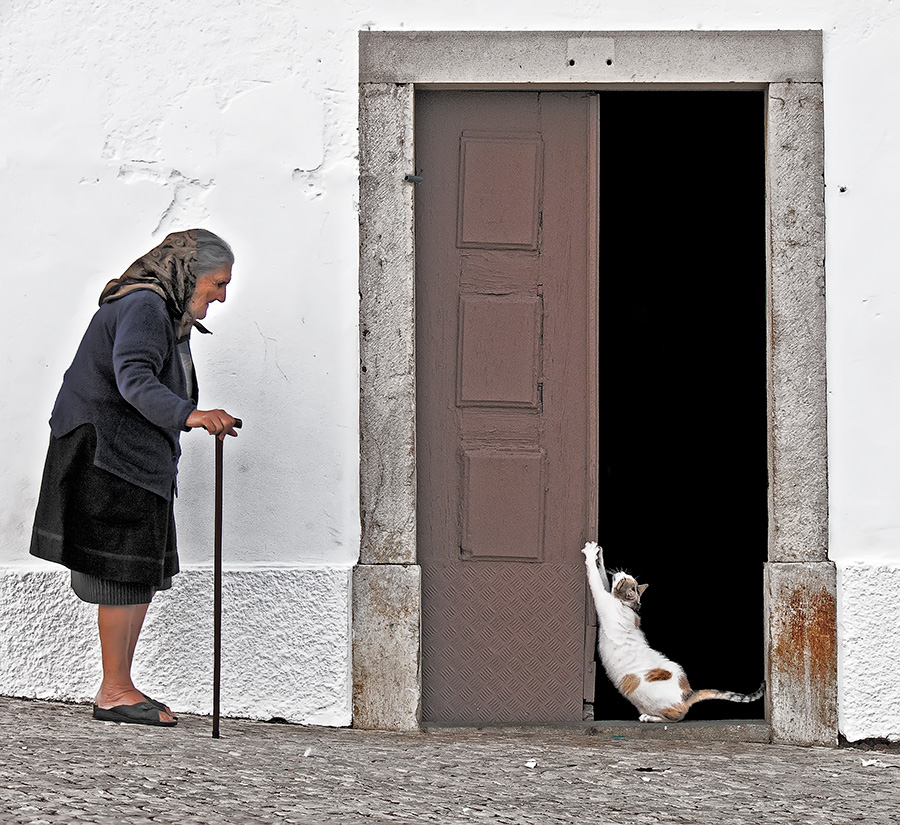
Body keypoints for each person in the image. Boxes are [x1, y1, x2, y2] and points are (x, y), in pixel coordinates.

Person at [30, 228, 239, 727]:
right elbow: (134, 378)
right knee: (122, 570)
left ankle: (118, 686)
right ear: (189, 274)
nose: (222, 296)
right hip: (109, 452)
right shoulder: (145, 305)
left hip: (128, 453)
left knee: (137, 569)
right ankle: (115, 690)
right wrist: (191, 414)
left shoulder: (157, 308)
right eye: (218, 283)